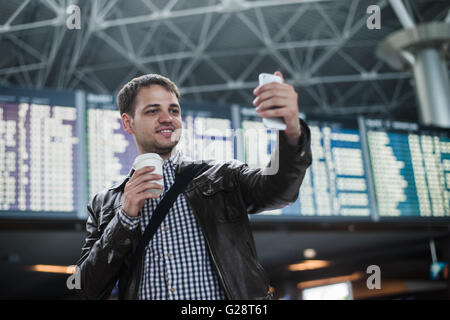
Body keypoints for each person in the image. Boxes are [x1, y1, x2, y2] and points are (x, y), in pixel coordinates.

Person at [76, 71, 312, 300]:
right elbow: (87, 289)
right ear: (128, 123)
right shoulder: (104, 204)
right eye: (152, 111)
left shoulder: (223, 177)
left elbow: (280, 190)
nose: (167, 118)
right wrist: (125, 216)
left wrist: (291, 130)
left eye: (173, 110)